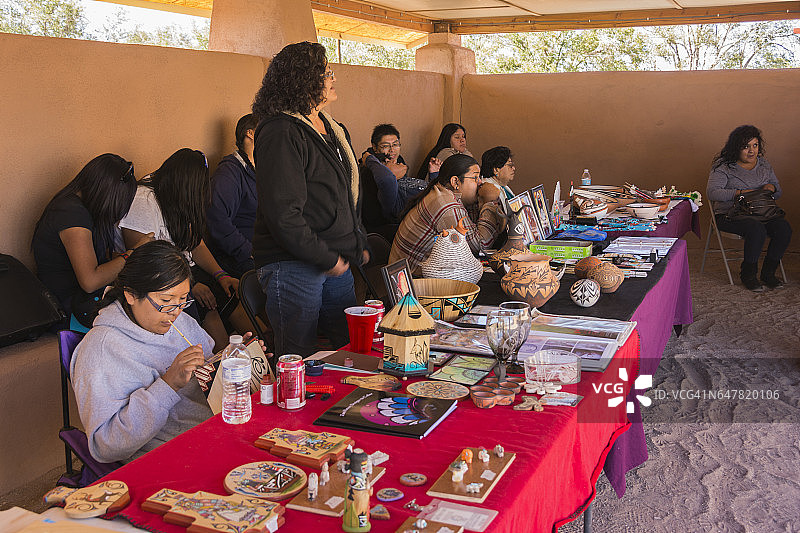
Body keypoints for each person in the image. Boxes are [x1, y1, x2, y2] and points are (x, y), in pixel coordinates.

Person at [251, 41, 368, 357]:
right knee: (298, 358)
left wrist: (353, 243)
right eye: (327, 72)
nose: (333, 78)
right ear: (303, 80)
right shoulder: (280, 131)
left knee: (350, 349)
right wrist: (327, 257)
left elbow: (340, 194)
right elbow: (283, 213)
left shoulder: (331, 127)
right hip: (293, 263)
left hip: (333, 258)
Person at [70, 241, 213, 464]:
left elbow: (210, 373)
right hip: (170, 458)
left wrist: (237, 360)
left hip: (211, 433)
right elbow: (105, 445)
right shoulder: (101, 349)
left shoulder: (181, 321)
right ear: (131, 295)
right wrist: (168, 385)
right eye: (166, 301)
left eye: (183, 300)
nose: (175, 312)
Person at [119, 148, 237, 349]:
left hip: (182, 269)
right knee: (203, 302)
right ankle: (218, 364)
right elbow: (144, 259)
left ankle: (246, 357)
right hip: (159, 277)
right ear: (183, 185)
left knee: (229, 293)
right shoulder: (143, 201)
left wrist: (221, 275)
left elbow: (195, 244)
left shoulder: (176, 199)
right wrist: (189, 286)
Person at [32, 153, 151, 331]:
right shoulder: (71, 214)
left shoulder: (81, 208)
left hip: (84, 300)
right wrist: (134, 252)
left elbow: (99, 257)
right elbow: (90, 281)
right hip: (70, 308)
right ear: (107, 193)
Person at [389, 154, 506, 274]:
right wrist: (489, 201)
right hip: (410, 282)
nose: (480, 182)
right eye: (475, 178)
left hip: (416, 273)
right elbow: (479, 247)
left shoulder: (444, 193)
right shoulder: (445, 204)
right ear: (455, 181)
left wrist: (482, 200)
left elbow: (472, 225)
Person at [707, 125, 792, 291]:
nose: (751, 151)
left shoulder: (764, 165)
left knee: (784, 228)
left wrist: (771, 188)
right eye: (745, 146)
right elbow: (712, 193)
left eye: (755, 145)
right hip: (729, 215)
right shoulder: (724, 167)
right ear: (735, 148)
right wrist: (741, 192)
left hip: (762, 213)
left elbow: (778, 191)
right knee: (756, 229)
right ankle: (748, 274)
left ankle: (768, 273)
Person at [205, 113, 259, 278]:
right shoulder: (229, 171)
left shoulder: (264, 167)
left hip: (264, 248)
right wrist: (248, 251)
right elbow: (217, 219)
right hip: (237, 255)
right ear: (250, 133)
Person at [360, 124, 428, 240]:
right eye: (386, 146)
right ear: (375, 148)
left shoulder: (398, 160)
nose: (392, 150)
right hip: (382, 224)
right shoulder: (370, 171)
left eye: (395, 145)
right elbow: (376, 213)